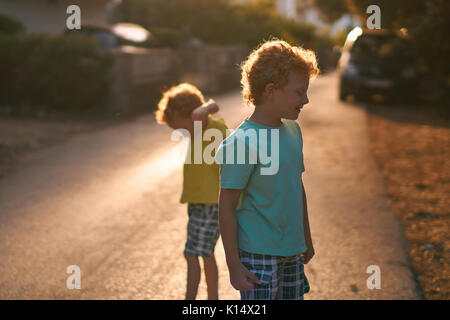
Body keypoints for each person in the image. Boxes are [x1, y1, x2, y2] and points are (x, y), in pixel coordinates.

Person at [215, 39, 319, 300]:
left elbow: (297, 188)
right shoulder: (242, 142)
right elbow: (226, 206)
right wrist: (234, 266)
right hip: (257, 256)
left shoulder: (293, 131)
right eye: (299, 92)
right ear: (271, 90)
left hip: (292, 251)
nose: (305, 99)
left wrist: (305, 237)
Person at [155, 83, 228, 300]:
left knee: (199, 254)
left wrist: (204, 109)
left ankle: (204, 299)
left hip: (212, 203)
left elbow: (210, 106)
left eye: (180, 127)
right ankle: (198, 298)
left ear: (193, 116)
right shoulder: (199, 130)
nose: (181, 133)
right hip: (199, 203)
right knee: (196, 254)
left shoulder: (207, 127)